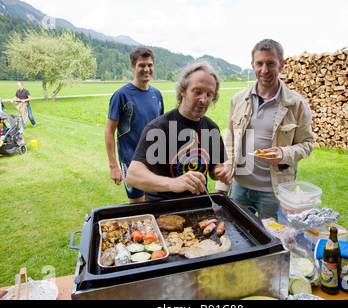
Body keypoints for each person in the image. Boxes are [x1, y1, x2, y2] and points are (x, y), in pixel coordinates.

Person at [215, 39, 314, 220]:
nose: (264, 70)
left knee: (273, 242)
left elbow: (307, 144)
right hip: (240, 187)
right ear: (252, 65)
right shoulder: (238, 99)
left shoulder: (297, 104)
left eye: (271, 63)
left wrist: (284, 153)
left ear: (282, 65)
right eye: (259, 64)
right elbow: (229, 141)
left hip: (274, 192)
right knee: (239, 235)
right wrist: (222, 186)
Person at [126, 61, 232, 201]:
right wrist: (172, 183)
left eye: (209, 94)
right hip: (162, 210)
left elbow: (215, 169)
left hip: (199, 207)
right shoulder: (159, 128)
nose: (203, 99)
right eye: (197, 92)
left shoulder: (211, 128)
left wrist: (220, 172)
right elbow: (133, 176)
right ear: (182, 90)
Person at [105, 47, 164, 203]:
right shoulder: (121, 95)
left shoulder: (156, 94)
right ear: (133, 67)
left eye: (150, 65)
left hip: (155, 162)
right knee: (138, 207)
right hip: (131, 162)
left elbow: (161, 129)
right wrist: (113, 166)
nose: (146, 69)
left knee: (157, 204)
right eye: (142, 65)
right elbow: (109, 131)